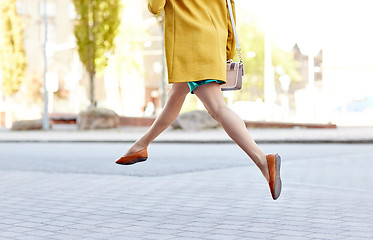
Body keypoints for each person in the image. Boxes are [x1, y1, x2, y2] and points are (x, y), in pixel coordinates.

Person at [115, 0, 282, 200]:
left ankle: (264, 161)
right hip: (213, 41)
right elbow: (230, 8)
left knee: (217, 108)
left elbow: (155, 7)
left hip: (191, 44)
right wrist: (226, 49)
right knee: (175, 98)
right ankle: (140, 146)